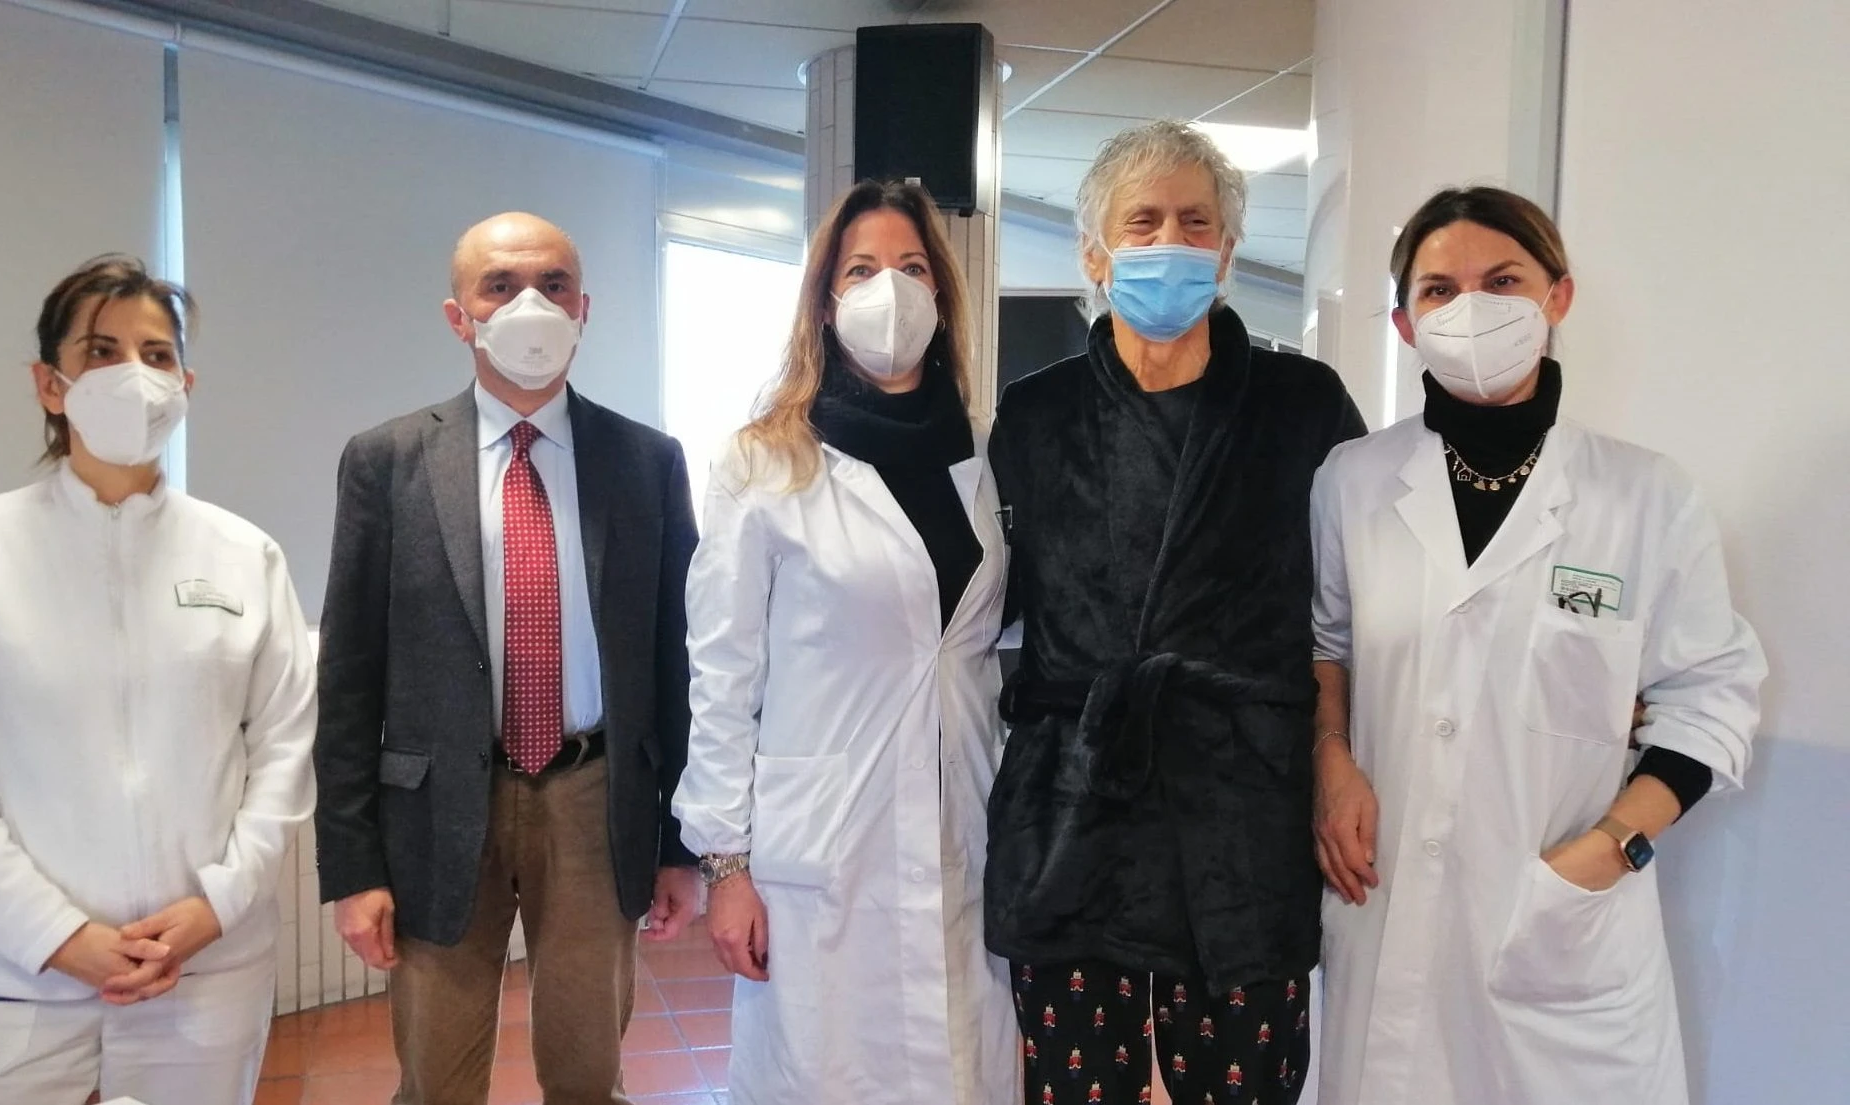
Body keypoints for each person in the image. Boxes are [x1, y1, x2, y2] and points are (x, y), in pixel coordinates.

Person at [1309, 186, 1765, 1105]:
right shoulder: (1352, 481)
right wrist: (1331, 759)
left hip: (1560, 927)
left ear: (1557, 296)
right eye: (1438, 289)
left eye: (1502, 280)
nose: (1470, 308)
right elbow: (1327, 644)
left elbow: (1711, 697)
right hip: (1385, 902)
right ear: (1404, 324)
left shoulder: (1645, 495)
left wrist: (1609, 848)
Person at [0, 255, 317, 1104]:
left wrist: (216, 907)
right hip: (8, 975)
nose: (133, 374)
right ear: (51, 383)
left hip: (201, 968)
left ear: (184, 386)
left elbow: (283, 754)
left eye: (156, 354)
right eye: (102, 351)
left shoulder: (244, 555)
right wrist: (57, 934)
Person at [983, 120, 1365, 1105]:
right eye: (1141, 222)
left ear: (1227, 250)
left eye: (1195, 223)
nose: (1169, 241)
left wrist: (1336, 752)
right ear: (1093, 253)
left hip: (1240, 800)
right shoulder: (1034, 415)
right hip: (1076, 794)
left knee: (1246, 1083)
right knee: (1074, 1083)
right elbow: (983, 598)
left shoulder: (1303, 405)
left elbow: (1352, 604)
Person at [315, 212, 701, 1105]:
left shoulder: (647, 461)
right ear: (459, 316)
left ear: (583, 309)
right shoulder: (387, 461)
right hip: (436, 809)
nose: (531, 304)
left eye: (553, 285)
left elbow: (677, 664)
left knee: (588, 1076)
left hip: (594, 797)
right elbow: (348, 678)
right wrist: (352, 866)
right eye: (501, 285)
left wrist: (681, 844)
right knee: (436, 1081)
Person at [672, 180, 1019, 1105]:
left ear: (940, 295)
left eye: (911, 267)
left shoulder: (984, 454)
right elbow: (721, 673)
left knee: (961, 1066)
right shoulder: (764, 459)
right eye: (860, 269)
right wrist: (726, 865)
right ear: (824, 302)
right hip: (823, 847)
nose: (888, 289)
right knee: (829, 1070)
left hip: (962, 822)